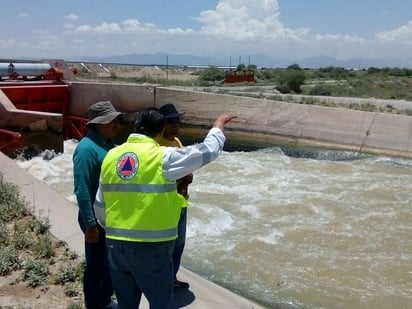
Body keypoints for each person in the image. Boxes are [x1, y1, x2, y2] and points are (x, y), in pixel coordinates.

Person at [93, 108, 237, 308]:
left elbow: (100, 203)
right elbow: (208, 151)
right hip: (151, 247)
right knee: (162, 303)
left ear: (136, 127)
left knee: (126, 304)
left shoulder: (111, 156)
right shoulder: (163, 157)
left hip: (115, 245)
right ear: (161, 131)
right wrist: (218, 125)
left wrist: (112, 229)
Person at [73, 101, 124, 309]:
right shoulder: (86, 149)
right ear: (98, 124)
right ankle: (96, 304)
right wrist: (91, 224)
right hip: (95, 220)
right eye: (111, 121)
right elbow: (82, 189)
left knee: (107, 264)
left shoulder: (107, 144)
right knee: (96, 265)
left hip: (108, 217)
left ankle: (105, 300)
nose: (116, 125)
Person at [157, 103, 192, 290]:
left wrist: (186, 181)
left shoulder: (177, 142)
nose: (175, 125)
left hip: (180, 201)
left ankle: (171, 277)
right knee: (166, 245)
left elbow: (187, 167)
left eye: (177, 121)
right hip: (164, 203)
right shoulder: (157, 144)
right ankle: (162, 280)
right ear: (161, 124)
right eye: (171, 122)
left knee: (179, 244)